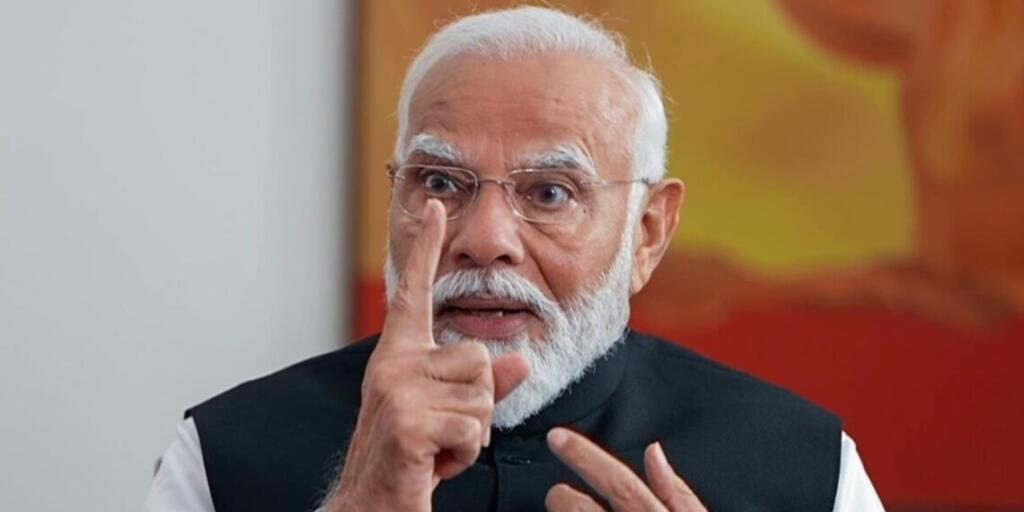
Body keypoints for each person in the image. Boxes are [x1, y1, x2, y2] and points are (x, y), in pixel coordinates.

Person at [143, 7, 884, 511]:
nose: (486, 237)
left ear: (648, 233)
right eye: (440, 182)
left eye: (551, 192)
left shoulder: (807, 467)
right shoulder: (223, 454)